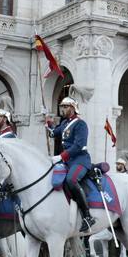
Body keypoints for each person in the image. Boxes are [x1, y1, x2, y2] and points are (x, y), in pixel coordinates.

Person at [46, 96, 94, 232]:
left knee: (71, 180)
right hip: (67, 161)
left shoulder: (80, 124)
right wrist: (48, 122)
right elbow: (53, 133)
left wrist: (61, 156)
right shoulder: (65, 124)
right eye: (62, 107)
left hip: (80, 160)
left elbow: (79, 145)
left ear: (73, 108)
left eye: (66, 107)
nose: (63, 109)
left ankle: (87, 216)